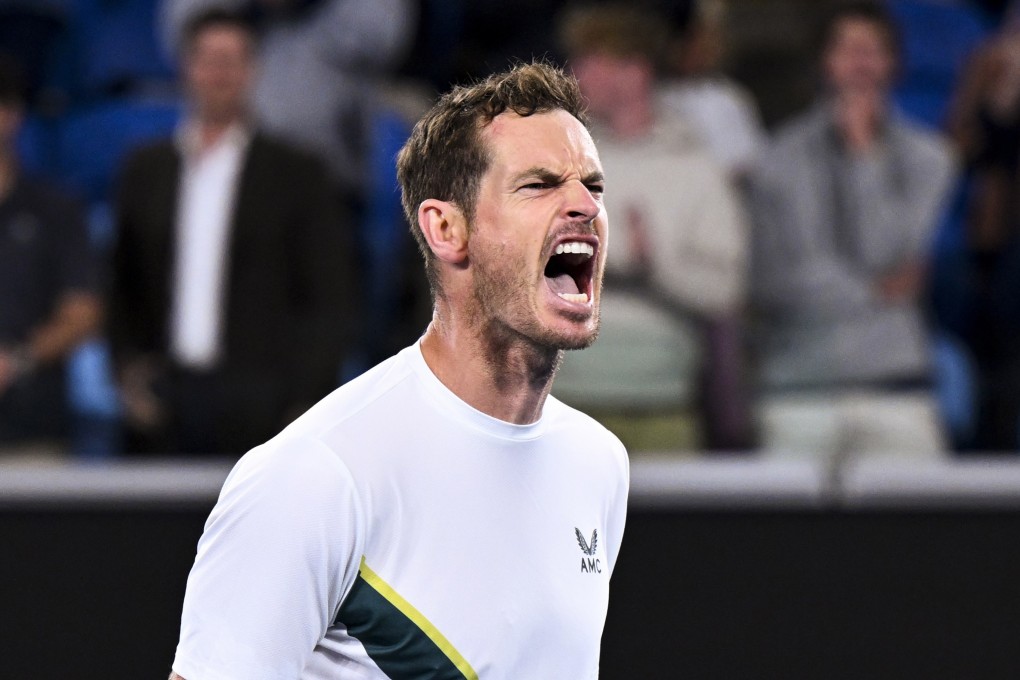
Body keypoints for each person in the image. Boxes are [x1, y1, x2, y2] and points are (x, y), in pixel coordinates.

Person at [168, 61, 628, 680]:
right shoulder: (315, 475)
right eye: (540, 184)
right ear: (445, 228)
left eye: (593, 187)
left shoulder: (598, 462)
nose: (584, 206)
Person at [109, 9, 355, 456]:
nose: (219, 73)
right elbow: (121, 282)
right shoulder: (146, 170)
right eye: (207, 59)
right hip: (164, 401)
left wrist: (303, 399)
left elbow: (327, 296)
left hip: (262, 405)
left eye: (232, 60)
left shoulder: (298, 174)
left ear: (252, 70)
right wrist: (127, 375)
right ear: (186, 67)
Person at [748, 1, 957, 461]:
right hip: (796, 390)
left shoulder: (931, 159)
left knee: (923, 532)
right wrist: (877, 291)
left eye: (874, 49)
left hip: (897, 386)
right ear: (824, 61)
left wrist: (864, 156)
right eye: (847, 48)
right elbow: (774, 284)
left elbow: (895, 259)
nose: (861, 62)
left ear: (894, 63)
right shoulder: (776, 160)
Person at [554, 3, 750, 451]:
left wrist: (654, 266)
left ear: (634, 70)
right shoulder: (555, 162)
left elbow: (726, 288)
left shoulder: (697, 167)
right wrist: (615, 256)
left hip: (664, 395)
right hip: (567, 397)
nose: (575, 72)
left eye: (591, 60)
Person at [0, 57, 102, 451]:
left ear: (12, 115)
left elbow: (84, 311)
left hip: (33, 429)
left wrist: (17, 360)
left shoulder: (56, 209)